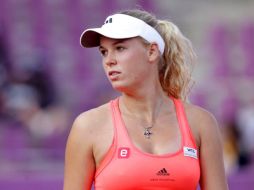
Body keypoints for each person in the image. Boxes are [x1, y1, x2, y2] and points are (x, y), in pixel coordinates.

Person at [63, 9, 228, 190]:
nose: (109, 60)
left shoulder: (201, 123)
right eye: (104, 52)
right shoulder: (88, 126)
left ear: (151, 51)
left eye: (119, 48)